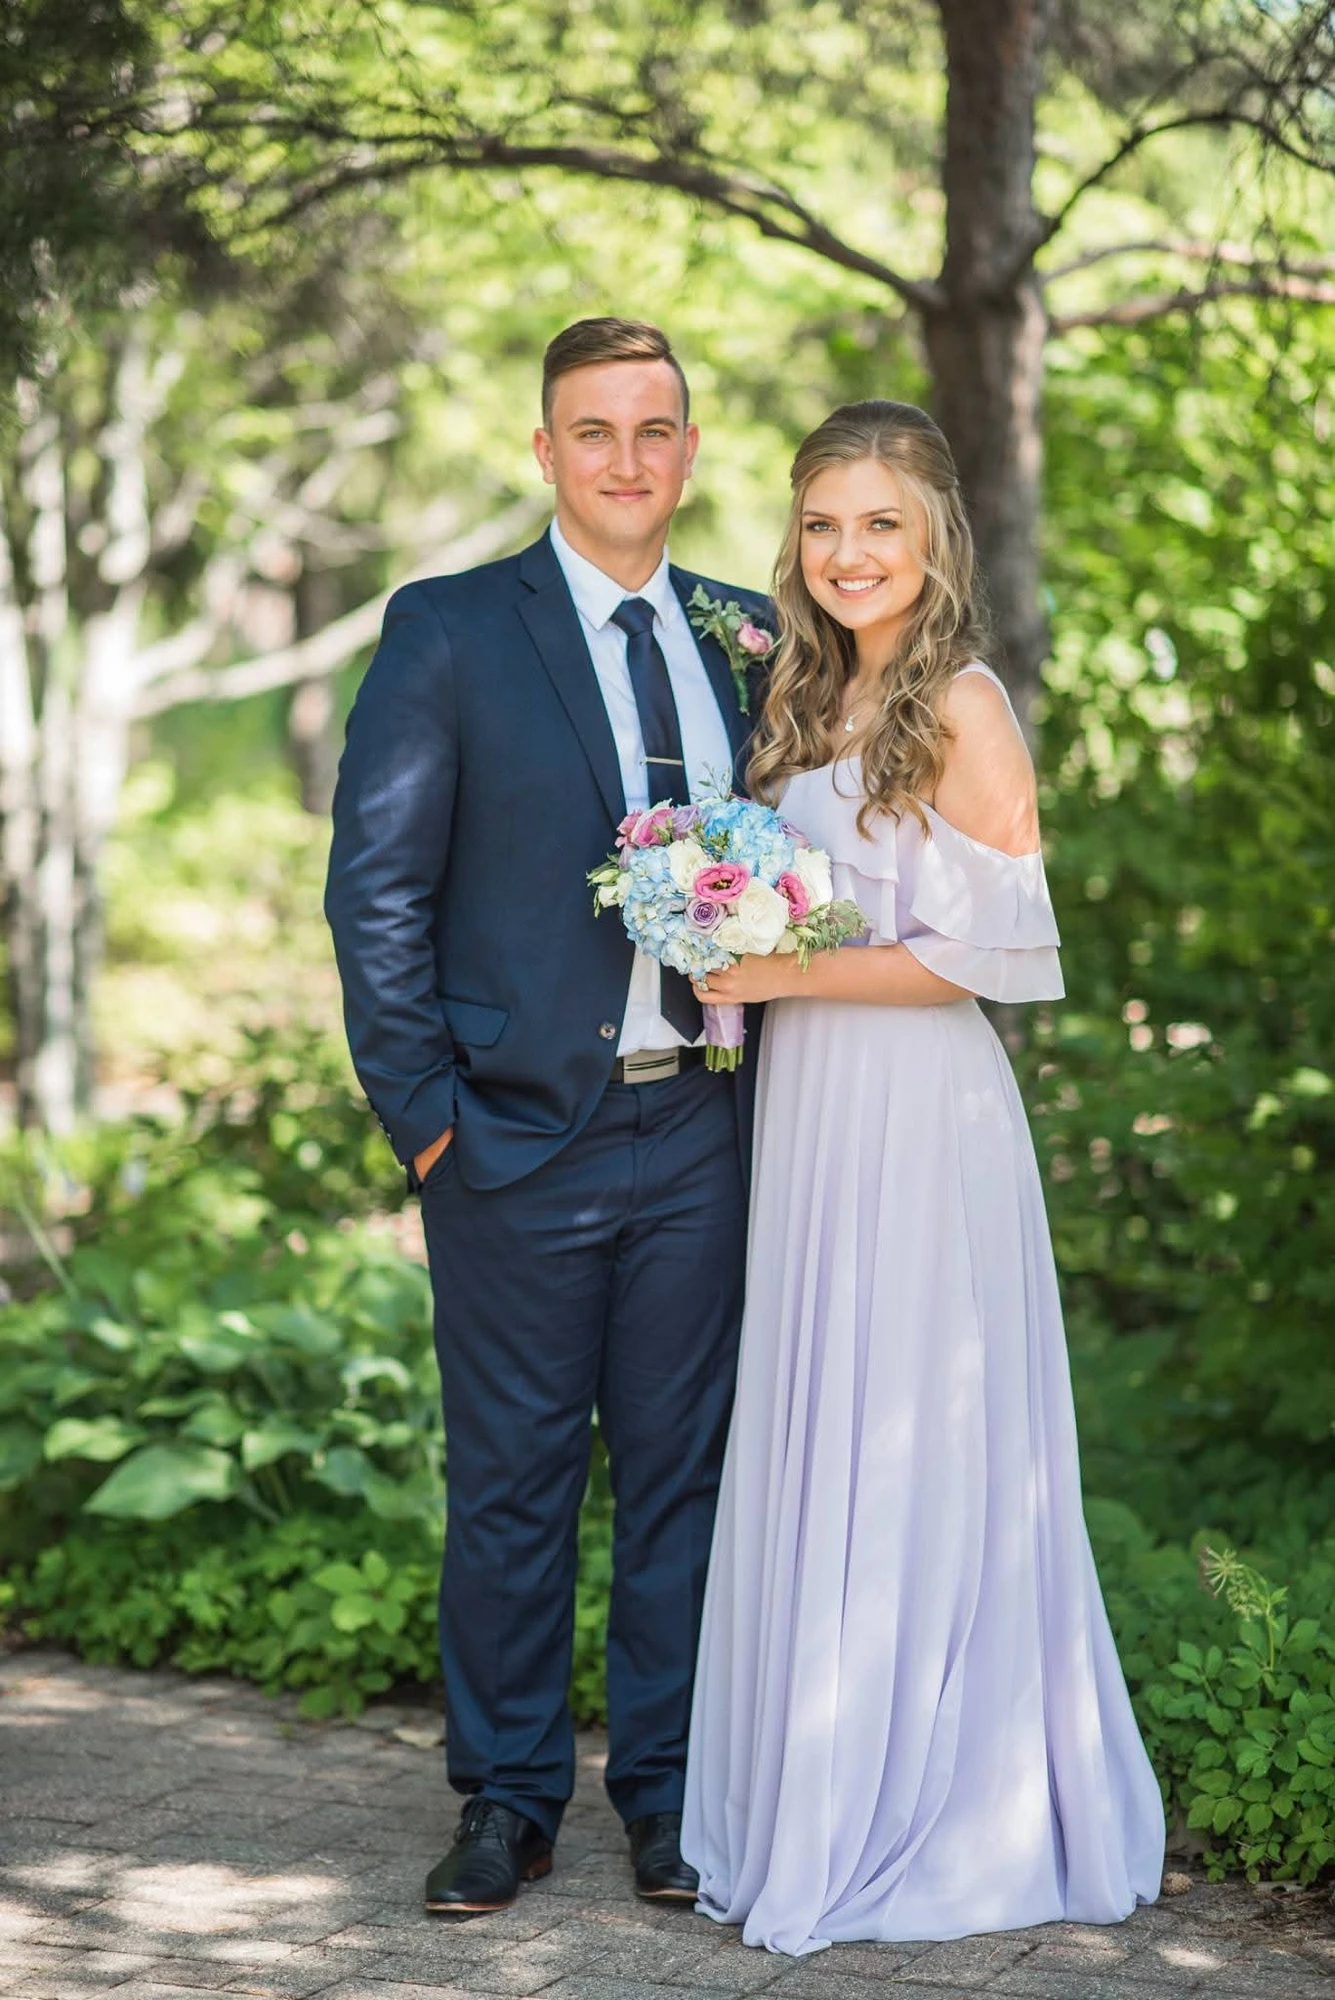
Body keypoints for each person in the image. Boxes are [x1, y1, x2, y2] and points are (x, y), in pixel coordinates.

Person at [680, 401, 1166, 1954]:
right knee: (818, 1415)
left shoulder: (960, 704)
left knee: (909, 1435)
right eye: (822, 525)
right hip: (812, 1121)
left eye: (879, 523)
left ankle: (947, 1811)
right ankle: (816, 1784)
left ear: (936, 534)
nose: (846, 554)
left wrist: (776, 970)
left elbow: (984, 961)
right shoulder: (801, 690)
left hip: (918, 1120)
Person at [324, 319, 770, 1915]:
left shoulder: (746, 632)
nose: (626, 460)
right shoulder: (448, 630)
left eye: (654, 429)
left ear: (690, 450)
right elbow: (374, 891)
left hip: (705, 1128)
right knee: (511, 1483)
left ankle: (664, 1796)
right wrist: (429, 1118)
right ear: (544, 453)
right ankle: (505, 1800)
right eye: (593, 431)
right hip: (513, 1139)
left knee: (682, 1478)